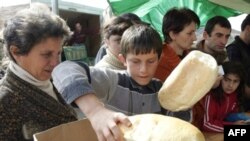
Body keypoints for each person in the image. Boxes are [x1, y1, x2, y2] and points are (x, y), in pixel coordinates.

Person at [52, 24, 163, 141]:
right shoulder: (113, 81)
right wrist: (95, 111)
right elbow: (64, 69)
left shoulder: (162, 91)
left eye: (150, 61)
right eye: (135, 61)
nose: (143, 69)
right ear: (123, 60)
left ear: (159, 60)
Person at [0, 5, 77, 140]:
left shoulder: (55, 79)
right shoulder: (5, 102)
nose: (55, 63)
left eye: (58, 53)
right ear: (16, 52)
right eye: (46, 54)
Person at [154, 7, 200, 82]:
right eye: (189, 33)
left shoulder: (189, 55)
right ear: (173, 34)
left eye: (194, 32)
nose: (195, 38)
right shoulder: (161, 63)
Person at [201, 61, 246, 132]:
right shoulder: (210, 95)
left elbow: (228, 116)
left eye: (235, 81)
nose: (230, 85)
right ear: (220, 78)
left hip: (220, 131)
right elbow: (207, 124)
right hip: (206, 133)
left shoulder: (235, 94)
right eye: (227, 80)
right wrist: (232, 126)